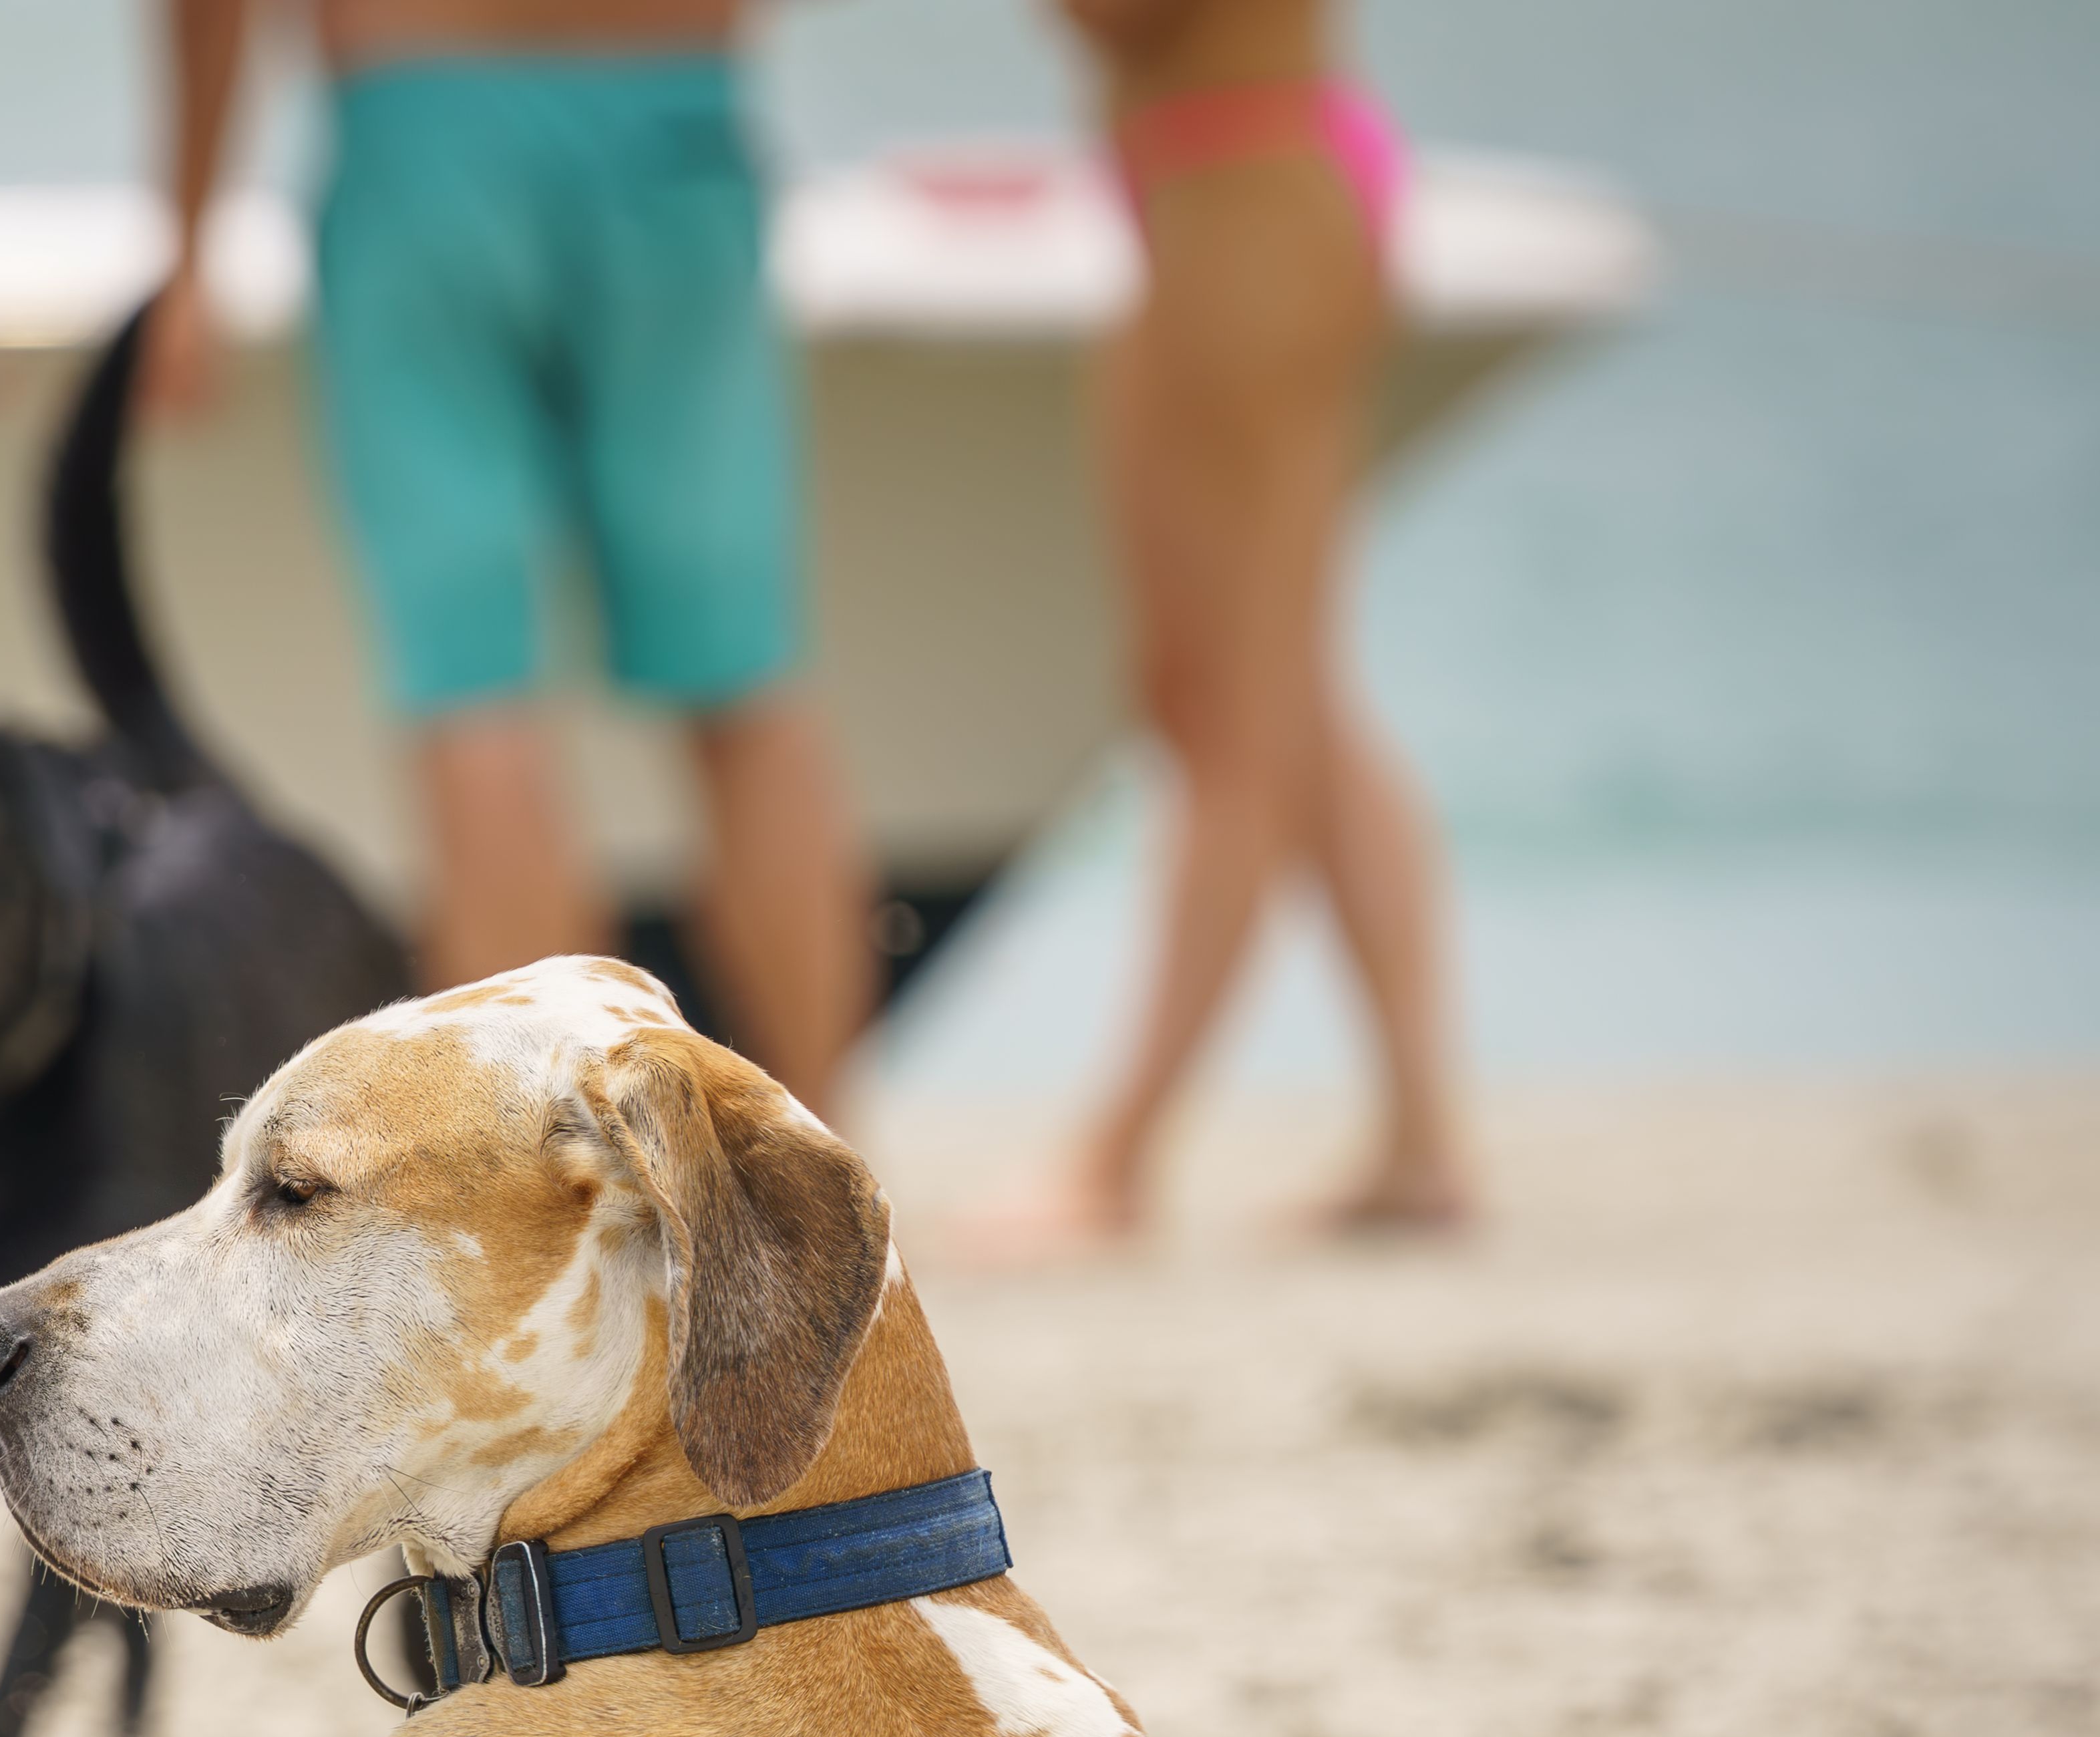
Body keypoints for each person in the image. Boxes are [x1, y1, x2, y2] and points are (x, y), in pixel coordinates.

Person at [146, 0, 872, 1111]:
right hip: (676, 103)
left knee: (474, 694)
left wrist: (189, 242)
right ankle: (832, 1156)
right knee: (745, 683)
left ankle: (545, 1154)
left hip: (423, 114)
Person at [975, 0, 1466, 1251]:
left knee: (1232, 714)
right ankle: (1421, 1138)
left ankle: (1117, 1158)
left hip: (1244, 184)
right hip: (1215, 179)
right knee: (1252, 694)